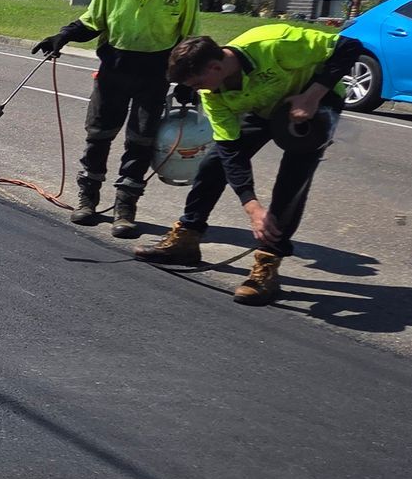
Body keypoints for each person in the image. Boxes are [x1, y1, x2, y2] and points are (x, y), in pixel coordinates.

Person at [134, 24, 364, 306]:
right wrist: (252, 206)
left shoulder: (273, 43)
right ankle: (187, 239)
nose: (197, 91)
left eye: (196, 84)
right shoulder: (213, 91)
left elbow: (349, 46)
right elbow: (232, 152)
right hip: (262, 106)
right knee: (213, 163)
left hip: (314, 105)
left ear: (216, 67)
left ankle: (268, 262)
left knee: (293, 179)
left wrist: (311, 96)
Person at [30, 0, 198, 237]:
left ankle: (125, 207)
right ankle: (88, 199)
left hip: (156, 71)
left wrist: (186, 82)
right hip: (115, 68)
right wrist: (64, 36)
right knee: (98, 134)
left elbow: (189, 38)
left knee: (141, 140)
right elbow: (93, 21)